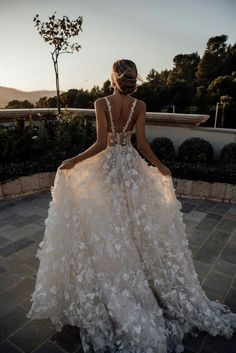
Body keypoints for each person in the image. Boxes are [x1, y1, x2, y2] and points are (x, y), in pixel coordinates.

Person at [26, 59, 236, 353]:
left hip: (108, 168)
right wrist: (161, 166)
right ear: (132, 79)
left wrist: (74, 160)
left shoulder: (101, 102)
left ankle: (119, 278)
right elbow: (142, 144)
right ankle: (139, 277)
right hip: (131, 168)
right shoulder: (139, 105)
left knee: (112, 225)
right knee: (132, 223)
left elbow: (101, 144)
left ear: (113, 77)